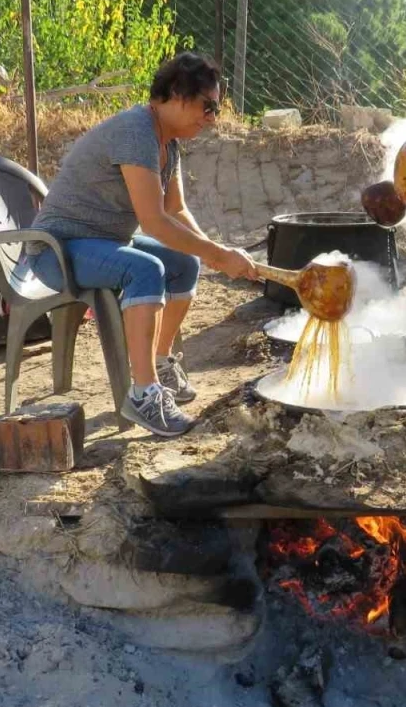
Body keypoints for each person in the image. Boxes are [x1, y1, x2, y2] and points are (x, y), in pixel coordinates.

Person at [16, 52, 258, 437]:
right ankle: (143, 394)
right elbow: (154, 221)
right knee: (146, 269)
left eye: (216, 108)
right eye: (207, 106)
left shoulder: (168, 142)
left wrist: (214, 252)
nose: (213, 118)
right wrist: (219, 255)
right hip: (57, 249)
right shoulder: (136, 131)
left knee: (185, 263)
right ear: (177, 94)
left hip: (102, 242)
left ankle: (159, 361)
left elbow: (176, 209)